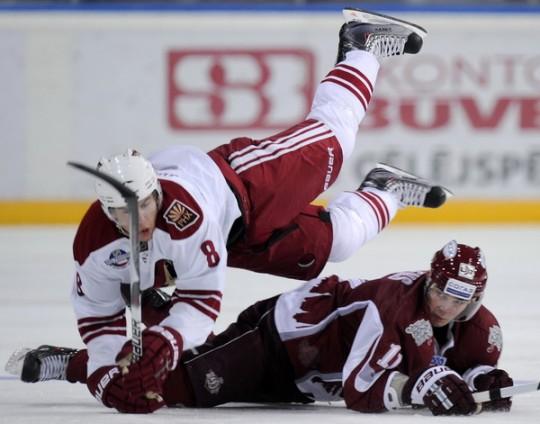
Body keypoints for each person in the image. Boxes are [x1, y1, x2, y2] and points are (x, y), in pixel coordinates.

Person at [6, 8, 452, 413]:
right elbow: (98, 316)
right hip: (230, 239)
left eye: (146, 205)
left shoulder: (185, 216)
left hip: (244, 185)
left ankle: (362, 44)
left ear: (155, 192)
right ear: (108, 213)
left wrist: (166, 338)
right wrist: (105, 374)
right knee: (338, 243)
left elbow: (203, 299)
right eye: (125, 215)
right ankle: (386, 188)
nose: (141, 220)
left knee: (334, 139)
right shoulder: (95, 246)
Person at [7, 241, 513, 416]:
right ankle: (72, 361)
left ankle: (161, 310)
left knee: (186, 368)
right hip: (277, 341)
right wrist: (426, 386)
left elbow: (461, 370)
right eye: (441, 290)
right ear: (428, 279)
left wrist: (480, 382)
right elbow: (362, 389)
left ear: (478, 297)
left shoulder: (482, 330)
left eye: (461, 297)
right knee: (169, 387)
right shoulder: (394, 304)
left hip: (303, 382)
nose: (446, 304)